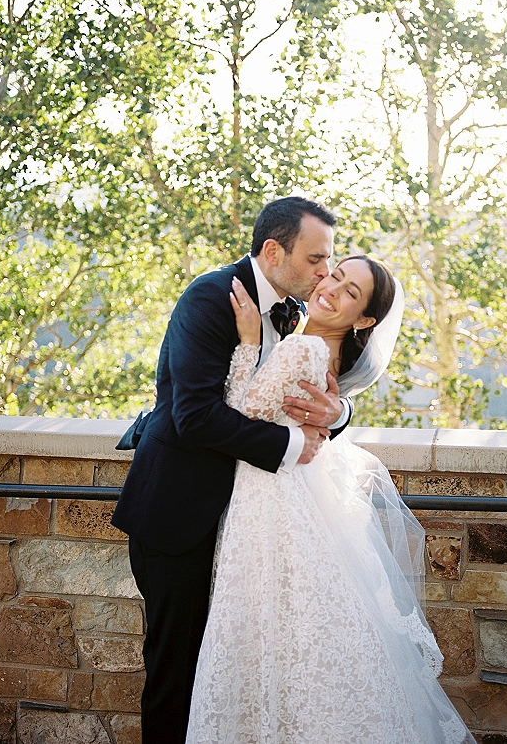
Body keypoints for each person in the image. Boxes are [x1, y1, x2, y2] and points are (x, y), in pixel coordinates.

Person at [185, 255, 477, 744]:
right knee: (300, 633)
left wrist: (250, 340)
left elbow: (242, 411)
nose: (332, 288)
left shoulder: (302, 348)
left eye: (351, 292)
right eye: (336, 274)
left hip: (274, 497)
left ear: (365, 319)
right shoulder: (314, 343)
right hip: (285, 491)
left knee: (271, 626)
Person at [111, 196, 354, 744]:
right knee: (179, 675)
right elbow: (193, 415)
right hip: (181, 517)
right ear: (273, 251)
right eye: (316, 259)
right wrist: (291, 447)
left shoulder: (294, 311)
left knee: (232, 678)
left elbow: (309, 394)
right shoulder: (208, 298)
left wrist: (339, 413)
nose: (324, 273)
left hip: (248, 528)